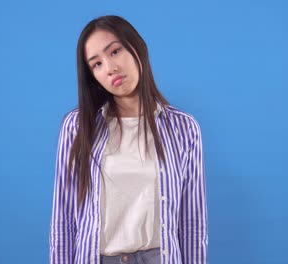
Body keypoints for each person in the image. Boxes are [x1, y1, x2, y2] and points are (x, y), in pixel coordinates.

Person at [50, 15, 208, 264]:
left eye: (114, 52)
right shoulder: (77, 127)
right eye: (97, 64)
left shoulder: (184, 129)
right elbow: (63, 221)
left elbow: (192, 223)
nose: (110, 67)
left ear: (137, 48)